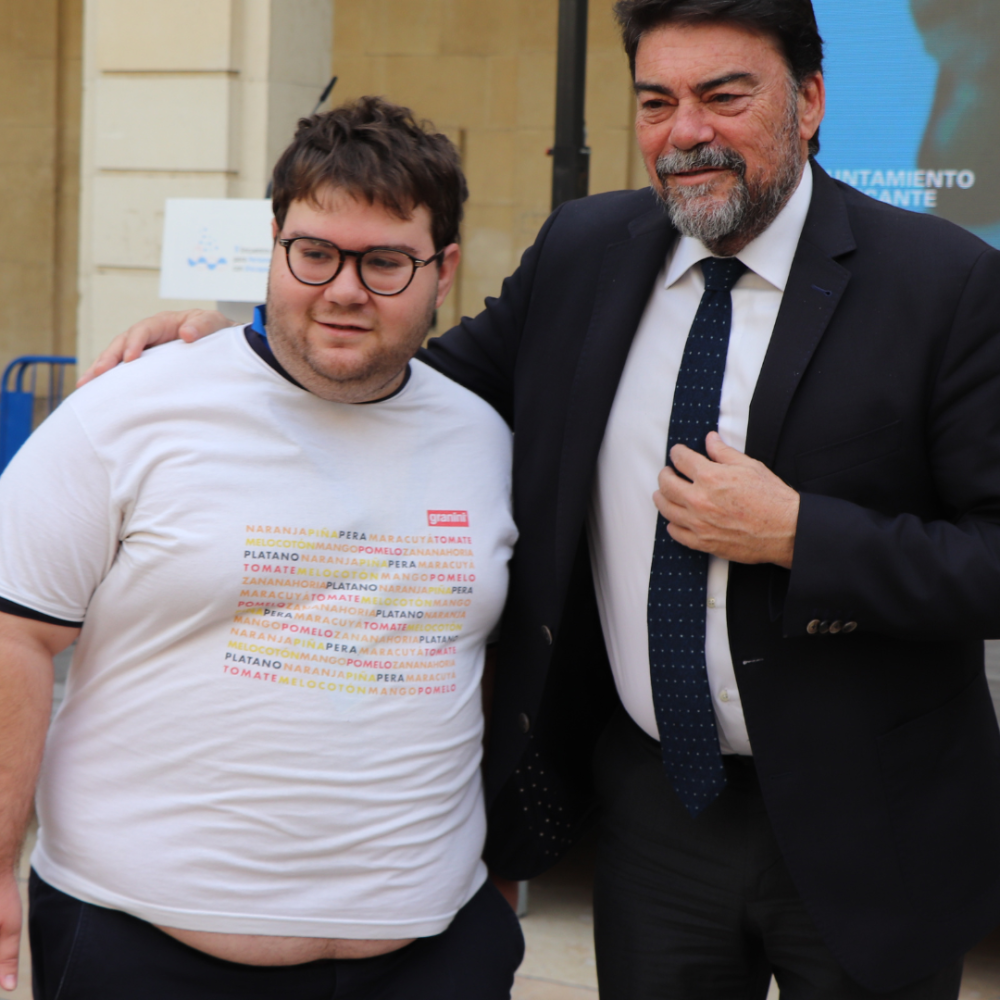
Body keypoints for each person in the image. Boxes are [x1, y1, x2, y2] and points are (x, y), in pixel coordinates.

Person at [85, 0, 1000, 996]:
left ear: (810, 101)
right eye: (656, 101)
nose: (685, 131)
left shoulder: (944, 284)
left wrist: (799, 534)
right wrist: (244, 352)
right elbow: (413, 386)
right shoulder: (585, 252)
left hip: (871, 822)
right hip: (657, 809)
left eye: (724, 96)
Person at [0, 96, 525, 999]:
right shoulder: (127, 411)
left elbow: (484, 659)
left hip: (429, 952)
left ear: (444, 270)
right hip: (141, 946)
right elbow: (15, 636)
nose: (344, 289)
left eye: (384, 262)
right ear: (274, 245)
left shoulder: (487, 438)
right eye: (314, 253)